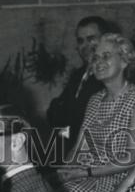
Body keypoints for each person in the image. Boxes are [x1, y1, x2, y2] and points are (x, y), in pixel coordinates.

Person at [57, 33, 135, 192]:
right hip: (86, 174)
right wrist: (65, 171)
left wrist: (85, 172)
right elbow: (79, 147)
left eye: (106, 56)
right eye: (95, 58)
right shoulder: (95, 100)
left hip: (119, 179)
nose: (98, 62)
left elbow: (131, 158)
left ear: (125, 61)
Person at [47, 16, 120, 153]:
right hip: (71, 151)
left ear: (107, 40)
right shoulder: (78, 75)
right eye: (81, 41)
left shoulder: (112, 77)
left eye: (91, 39)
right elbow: (56, 113)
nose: (85, 46)